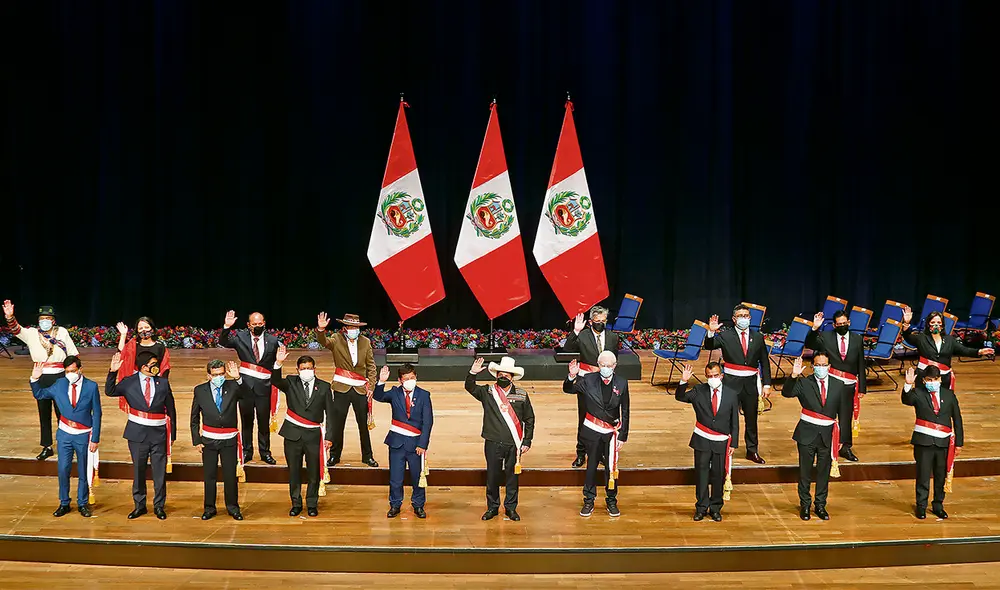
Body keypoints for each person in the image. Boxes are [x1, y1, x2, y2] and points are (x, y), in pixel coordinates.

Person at [4, 300, 80, 461]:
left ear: (53, 320)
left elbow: (73, 355)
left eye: (48, 318)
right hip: (41, 376)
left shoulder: (62, 333)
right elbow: (16, 330)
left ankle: (66, 444)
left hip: (61, 376)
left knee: (63, 413)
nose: (44, 321)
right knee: (43, 413)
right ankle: (47, 446)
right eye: (41, 318)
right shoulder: (32, 333)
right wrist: (10, 317)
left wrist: (74, 376)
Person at [106, 350, 177, 520]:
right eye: (152, 365)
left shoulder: (163, 383)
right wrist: (112, 372)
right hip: (137, 434)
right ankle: (140, 505)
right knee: (139, 471)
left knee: (159, 473)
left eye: (156, 364)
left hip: (158, 434)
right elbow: (110, 391)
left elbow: (171, 410)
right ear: (143, 366)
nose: (155, 368)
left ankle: (159, 506)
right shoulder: (129, 382)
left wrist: (172, 435)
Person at [29, 356, 101, 518]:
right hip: (65, 435)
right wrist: (35, 378)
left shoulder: (91, 386)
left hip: (84, 435)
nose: (70, 374)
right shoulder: (60, 384)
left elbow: (97, 413)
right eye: (67, 372)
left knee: (83, 470)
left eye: (73, 371)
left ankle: (82, 503)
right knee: (63, 469)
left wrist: (95, 438)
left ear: (80, 370)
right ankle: (64, 503)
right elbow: (40, 394)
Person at [465, 356, 536, 521]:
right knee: (492, 476)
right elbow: (470, 387)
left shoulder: (522, 394)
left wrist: (527, 441)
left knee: (512, 477)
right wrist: (472, 373)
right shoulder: (487, 392)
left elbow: (530, 419)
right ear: (496, 375)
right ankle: (493, 507)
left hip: (514, 443)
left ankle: (511, 508)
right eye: (500, 374)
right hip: (493, 441)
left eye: (507, 375)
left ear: (512, 376)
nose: (503, 377)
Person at [782, 353, 849, 521]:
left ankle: (820, 505)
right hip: (807, 434)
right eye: (817, 365)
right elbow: (787, 393)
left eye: (824, 364)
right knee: (805, 472)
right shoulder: (804, 383)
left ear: (829, 366)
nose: (821, 368)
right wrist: (793, 376)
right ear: (812, 366)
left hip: (828, 436)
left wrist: (843, 439)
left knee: (823, 473)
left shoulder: (839, 384)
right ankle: (805, 504)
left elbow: (844, 413)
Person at [563, 351, 630, 518]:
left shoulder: (622, 383)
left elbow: (625, 411)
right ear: (598, 365)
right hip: (592, 431)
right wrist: (571, 376)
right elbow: (568, 389)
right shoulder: (588, 380)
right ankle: (589, 500)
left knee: (611, 467)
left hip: (611, 433)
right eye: (602, 365)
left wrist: (622, 435)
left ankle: (611, 500)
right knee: (591, 466)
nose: (606, 368)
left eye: (609, 365)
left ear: (615, 366)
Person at [272, 346, 335, 517]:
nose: (306, 371)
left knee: (313, 471)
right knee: (294, 471)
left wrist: (329, 437)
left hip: (314, 436)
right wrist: (278, 362)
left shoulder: (324, 387)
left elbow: (331, 413)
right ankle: (296, 503)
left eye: (309, 368)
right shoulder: (291, 382)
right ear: (297, 370)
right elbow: (275, 381)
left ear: (315, 369)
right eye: (303, 369)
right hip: (292, 434)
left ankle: (312, 503)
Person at [705, 304, 772, 464]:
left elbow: (764, 361)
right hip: (730, 383)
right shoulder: (725, 335)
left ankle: (752, 450)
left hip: (750, 383)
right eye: (741, 316)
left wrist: (767, 384)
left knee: (751, 419)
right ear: (734, 319)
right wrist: (711, 332)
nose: (744, 318)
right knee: (727, 417)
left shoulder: (757, 337)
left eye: (747, 315)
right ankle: (724, 448)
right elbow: (709, 346)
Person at [675, 362, 738, 522]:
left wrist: (734, 443)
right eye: (709, 376)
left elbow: (735, 422)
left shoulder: (731, 394)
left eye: (715, 376)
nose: (713, 379)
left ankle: (715, 508)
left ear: (721, 376)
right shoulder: (698, 390)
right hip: (702, 439)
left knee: (718, 475)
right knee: (702, 475)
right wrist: (683, 381)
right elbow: (680, 397)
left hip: (721, 442)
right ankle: (701, 508)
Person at [371, 363, 434, 519]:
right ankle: (395, 504)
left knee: (417, 477)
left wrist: (422, 444)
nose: (410, 380)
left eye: (412, 377)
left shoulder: (424, 395)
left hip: (416, 445)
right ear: (400, 380)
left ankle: (418, 505)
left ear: (416, 377)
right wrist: (381, 382)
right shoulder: (394, 393)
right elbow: (378, 396)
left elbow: (428, 422)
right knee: (396, 477)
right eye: (406, 378)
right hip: (397, 443)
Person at [315, 312, 378, 468]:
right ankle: (335, 456)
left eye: (356, 327)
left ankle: (367, 456)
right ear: (345, 328)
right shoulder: (336, 339)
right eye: (350, 327)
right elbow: (323, 341)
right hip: (342, 388)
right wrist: (321, 330)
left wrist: (371, 385)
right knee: (337, 424)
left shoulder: (365, 342)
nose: (353, 329)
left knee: (363, 425)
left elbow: (371, 366)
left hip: (360, 389)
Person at [902, 366, 963, 520]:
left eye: (935, 379)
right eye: (929, 380)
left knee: (940, 476)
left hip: (943, 443)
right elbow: (906, 400)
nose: (932, 382)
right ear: (924, 380)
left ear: (940, 380)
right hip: (924, 442)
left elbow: (957, 420)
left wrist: (959, 443)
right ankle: (921, 506)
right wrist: (908, 385)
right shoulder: (918, 393)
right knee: (923, 475)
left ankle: (938, 505)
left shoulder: (949, 395)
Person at [219, 310, 280, 465]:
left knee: (263, 423)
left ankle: (265, 452)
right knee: (247, 422)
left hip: (264, 387)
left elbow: (275, 364)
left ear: (264, 323)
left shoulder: (273, 341)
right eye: (254, 324)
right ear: (248, 325)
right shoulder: (241, 337)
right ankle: (247, 451)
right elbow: (223, 342)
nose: (257, 326)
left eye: (260, 324)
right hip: (244, 387)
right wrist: (227, 326)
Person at [191, 360, 249, 521]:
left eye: (222, 374)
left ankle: (233, 507)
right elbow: (194, 417)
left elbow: (248, 396)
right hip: (208, 439)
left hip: (229, 439)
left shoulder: (233, 386)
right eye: (215, 375)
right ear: (209, 375)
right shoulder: (199, 390)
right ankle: (209, 508)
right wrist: (197, 440)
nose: (219, 377)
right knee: (209, 476)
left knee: (230, 475)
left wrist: (238, 378)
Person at [563, 306, 620, 468]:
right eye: (597, 321)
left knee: (603, 417)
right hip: (586, 382)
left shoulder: (612, 337)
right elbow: (567, 348)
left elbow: (615, 360)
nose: (600, 324)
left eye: (603, 321)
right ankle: (581, 453)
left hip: (606, 382)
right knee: (584, 417)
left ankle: (600, 452)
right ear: (591, 322)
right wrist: (576, 331)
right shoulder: (583, 335)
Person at [806, 310, 866, 462]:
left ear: (849, 323)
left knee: (846, 417)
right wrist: (815, 329)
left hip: (849, 385)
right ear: (834, 325)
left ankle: (845, 447)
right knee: (827, 414)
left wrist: (863, 387)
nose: (842, 326)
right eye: (838, 324)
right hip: (831, 383)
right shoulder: (826, 337)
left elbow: (861, 363)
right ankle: (824, 444)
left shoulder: (857, 339)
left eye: (844, 324)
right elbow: (810, 343)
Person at [901, 307, 994, 389]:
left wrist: (980, 351)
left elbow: (964, 350)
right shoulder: (921, 338)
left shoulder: (950, 340)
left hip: (943, 377)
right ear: (928, 325)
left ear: (942, 326)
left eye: (938, 322)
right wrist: (906, 323)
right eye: (933, 322)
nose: (936, 325)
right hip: (924, 376)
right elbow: (908, 337)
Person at [114, 317, 172, 414]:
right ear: (137, 330)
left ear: (152, 329)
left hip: (155, 381)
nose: (144, 330)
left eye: (146, 327)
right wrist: (123, 335)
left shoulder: (160, 347)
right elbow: (122, 353)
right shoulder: (134, 345)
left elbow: (164, 366)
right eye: (140, 328)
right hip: (138, 382)